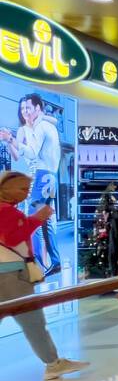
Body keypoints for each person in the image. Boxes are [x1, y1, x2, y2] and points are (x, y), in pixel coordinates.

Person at [0, 171, 89, 379]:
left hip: (10, 272)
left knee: (32, 321)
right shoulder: (7, 212)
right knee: (33, 321)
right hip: (12, 274)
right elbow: (14, 238)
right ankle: (53, 363)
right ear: (6, 189)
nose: (26, 192)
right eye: (22, 188)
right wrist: (37, 219)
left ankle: (53, 362)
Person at [0, 94, 62, 275]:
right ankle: (53, 262)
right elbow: (17, 156)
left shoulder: (42, 126)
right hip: (48, 176)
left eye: (28, 108)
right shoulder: (30, 127)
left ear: (38, 108)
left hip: (42, 175)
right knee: (45, 221)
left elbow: (33, 153)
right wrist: (10, 140)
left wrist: (11, 139)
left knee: (31, 221)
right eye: (22, 109)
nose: (24, 112)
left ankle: (32, 264)